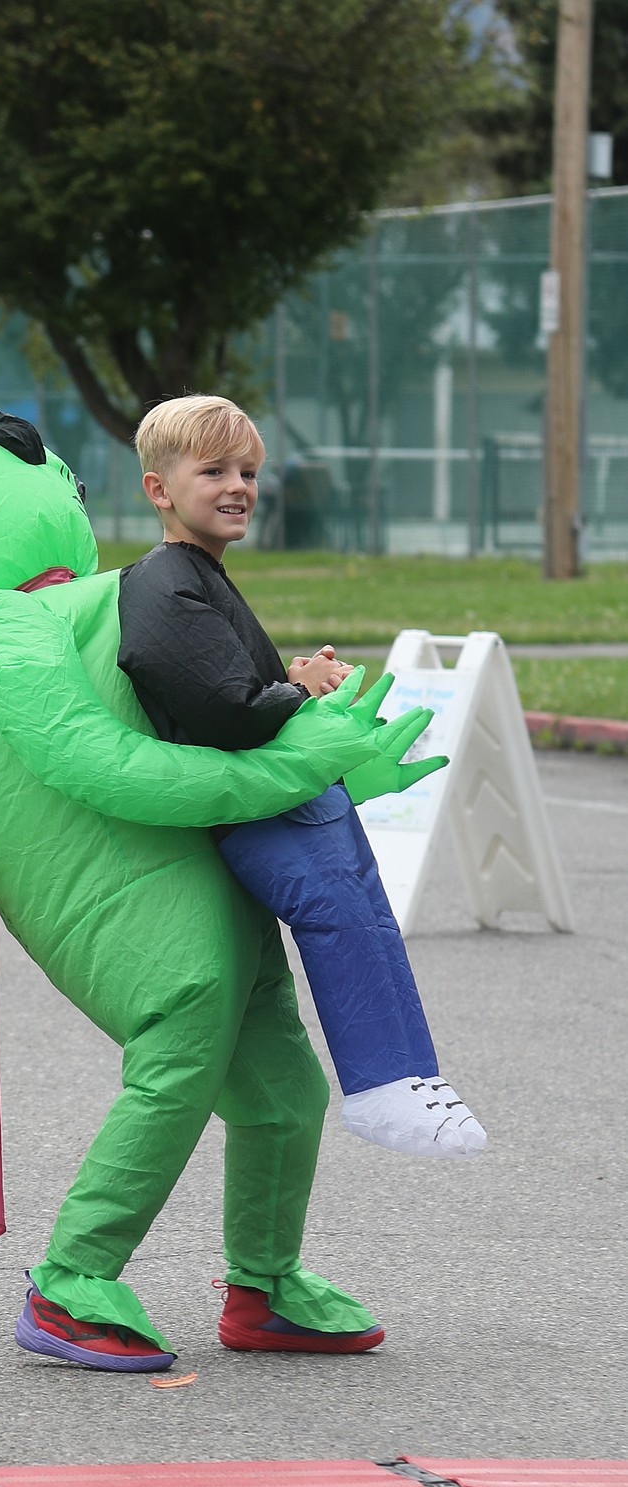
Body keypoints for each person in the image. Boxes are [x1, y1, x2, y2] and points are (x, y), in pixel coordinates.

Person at [0, 390, 444, 1372]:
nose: (57, 484)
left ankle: (267, 1282)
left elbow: (188, 697)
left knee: (282, 1084)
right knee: (185, 1027)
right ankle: (72, 1278)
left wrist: (303, 717)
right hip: (129, 890)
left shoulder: (70, 603)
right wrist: (293, 764)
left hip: (193, 863)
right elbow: (100, 763)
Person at [118, 394, 486, 1158]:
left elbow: (234, 681)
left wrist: (289, 675)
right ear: (160, 490)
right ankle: (382, 1086)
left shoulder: (202, 575)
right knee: (336, 917)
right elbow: (223, 708)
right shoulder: (163, 582)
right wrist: (297, 694)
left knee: (368, 914)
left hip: (289, 789)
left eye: (247, 471)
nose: (236, 486)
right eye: (213, 470)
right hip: (253, 804)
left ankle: (414, 1075)